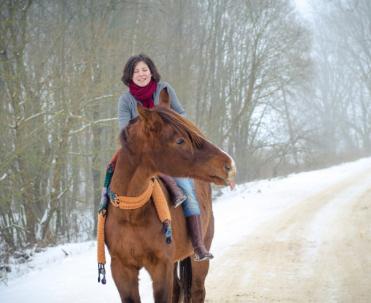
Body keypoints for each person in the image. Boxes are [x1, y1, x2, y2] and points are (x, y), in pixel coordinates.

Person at [116, 53, 213, 261]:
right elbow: (124, 130)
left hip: (169, 153)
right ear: (129, 76)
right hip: (142, 155)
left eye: (144, 70)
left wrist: (171, 123)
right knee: (112, 187)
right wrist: (147, 125)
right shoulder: (125, 100)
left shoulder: (164, 90)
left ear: (151, 72)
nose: (141, 74)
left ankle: (198, 246)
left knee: (188, 190)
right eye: (136, 71)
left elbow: (181, 114)